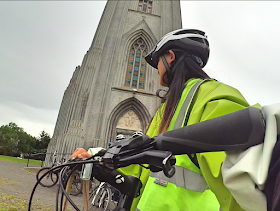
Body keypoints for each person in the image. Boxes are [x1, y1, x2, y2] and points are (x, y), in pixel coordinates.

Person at [71, 29, 251, 211]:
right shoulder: (167, 107)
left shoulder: (215, 98)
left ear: (170, 57)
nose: (157, 69)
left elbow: (245, 185)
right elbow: (143, 169)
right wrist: (97, 162)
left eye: (157, 62)